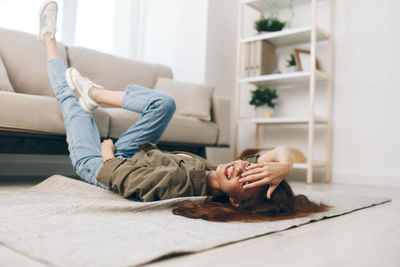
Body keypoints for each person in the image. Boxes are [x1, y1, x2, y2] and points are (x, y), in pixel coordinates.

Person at [39, 0, 328, 222]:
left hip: (100, 166)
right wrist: (284, 167)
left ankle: (48, 39)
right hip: (133, 155)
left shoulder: (183, 184)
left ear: (237, 202)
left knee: (74, 107)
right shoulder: (221, 173)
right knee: (164, 104)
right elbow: (279, 150)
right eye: (250, 168)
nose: (241, 167)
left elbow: (125, 181)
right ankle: (94, 93)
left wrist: (108, 156)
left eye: (245, 179)